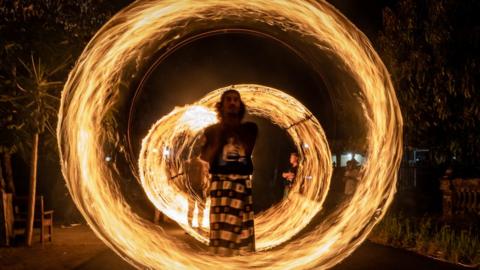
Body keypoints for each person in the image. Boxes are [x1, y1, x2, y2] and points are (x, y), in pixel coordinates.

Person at [201, 89, 258, 256]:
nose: (232, 102)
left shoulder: (250, 129)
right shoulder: (211, 131)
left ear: (240, 105)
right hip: (219, 184)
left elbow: (247, 150)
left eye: (236, 100)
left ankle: (236, 264)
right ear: (222, 105)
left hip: (241, 183)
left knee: (239, 235)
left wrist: (228, 130)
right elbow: (205, 157)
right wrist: (218, 137)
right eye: (228, 100)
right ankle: (223, 263)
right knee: (221, 235)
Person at [185, 153, 209, 229]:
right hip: (200, 189)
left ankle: (190, 225)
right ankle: (199, 225)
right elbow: (207, 177)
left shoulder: (188, 163)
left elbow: (186, 177)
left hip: (192, 188)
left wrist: (186, 187)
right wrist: (206, 188)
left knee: (191, 208)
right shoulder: (205, 164)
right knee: (200, 208)